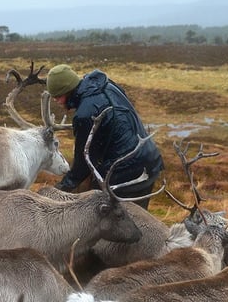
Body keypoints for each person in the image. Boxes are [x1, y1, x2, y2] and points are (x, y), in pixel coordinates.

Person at [46, 64, 164, 209]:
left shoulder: (84, 115)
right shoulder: (106, 85)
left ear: (67, 90)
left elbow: (85, 162)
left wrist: (61, 188)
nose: (56, 101)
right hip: (149, 161)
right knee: (139, 221)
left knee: (110, 222)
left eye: (58, 96)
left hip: (125, 176)